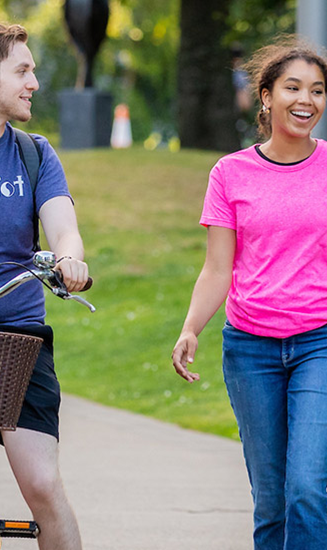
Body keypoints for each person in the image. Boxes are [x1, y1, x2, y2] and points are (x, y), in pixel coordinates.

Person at [171, 36, 327, 550]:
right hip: (250, 348)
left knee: (305, 488)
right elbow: (216, 268)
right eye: (293, 87)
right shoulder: (229, 174)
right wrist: (191, 327)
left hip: (324, 343)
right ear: (267, 96)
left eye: (317, 91)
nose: (306, 100)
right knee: (271, 497)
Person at [0, 23, 89, 550]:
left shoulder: (33, 154)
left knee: (42, 485)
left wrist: (68, 259)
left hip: (19, 339)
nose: (34, 82)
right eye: (22, 70)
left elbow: (63, 228)